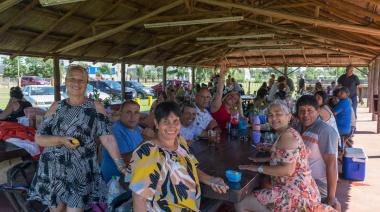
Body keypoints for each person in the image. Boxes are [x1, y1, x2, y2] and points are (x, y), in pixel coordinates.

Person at [28, 65, 127, 211]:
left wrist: (121, 165)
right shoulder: (57, 107)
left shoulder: (95, 106)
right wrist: (60, 140)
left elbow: (108, 138)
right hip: (54, 168)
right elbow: (39, 138)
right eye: (72, 79)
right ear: (66, 82)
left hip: (80, 171)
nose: (76, 83)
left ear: (87, 84)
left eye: (81, 80)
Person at [125, 101, 229, 211]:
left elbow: (191, 168)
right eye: (166, 121)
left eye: (176, 121)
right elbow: (139, 199)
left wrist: (210, 179)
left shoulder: (180, 141)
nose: (172, 127)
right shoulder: (149, 151)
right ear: (156, 123)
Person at [235, 100, 336, 212]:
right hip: (303, 190)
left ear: (289, 117)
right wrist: (265, 159)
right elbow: (289, 158)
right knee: (262, 187)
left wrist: (258, 168)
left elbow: (287, 170)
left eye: (278, 114)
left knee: (241, 203)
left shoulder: (287, 136)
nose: (274, 118)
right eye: (270, 115)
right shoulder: (288, 132)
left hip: (295, 196)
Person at [295, 95, 340, 209]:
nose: (305, 114)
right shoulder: (299, 126)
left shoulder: (324, 130)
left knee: (268, 185)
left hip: (317, 183)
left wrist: (331, 196)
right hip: (302, 178)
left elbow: (332, 164)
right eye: (302, 111)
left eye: (310, 110)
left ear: (318, 111)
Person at [101, 100, 155, 182]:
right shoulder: (115, 132)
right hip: (116, 184)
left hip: (134, 178)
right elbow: (125, 163)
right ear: (120, 113)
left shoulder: (135, 128)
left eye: (136, 112)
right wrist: (145, 141)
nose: (133, 116)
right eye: (128, 112)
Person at [211, 64, 245, 129]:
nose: (232, 98)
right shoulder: (218, 105)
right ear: (226, 96)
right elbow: (218, 92)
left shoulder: (234, 112)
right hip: (215, 136)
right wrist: (222, 76)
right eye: (231, 95)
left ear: (235, 103)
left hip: (229, 136)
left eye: (235, 98)